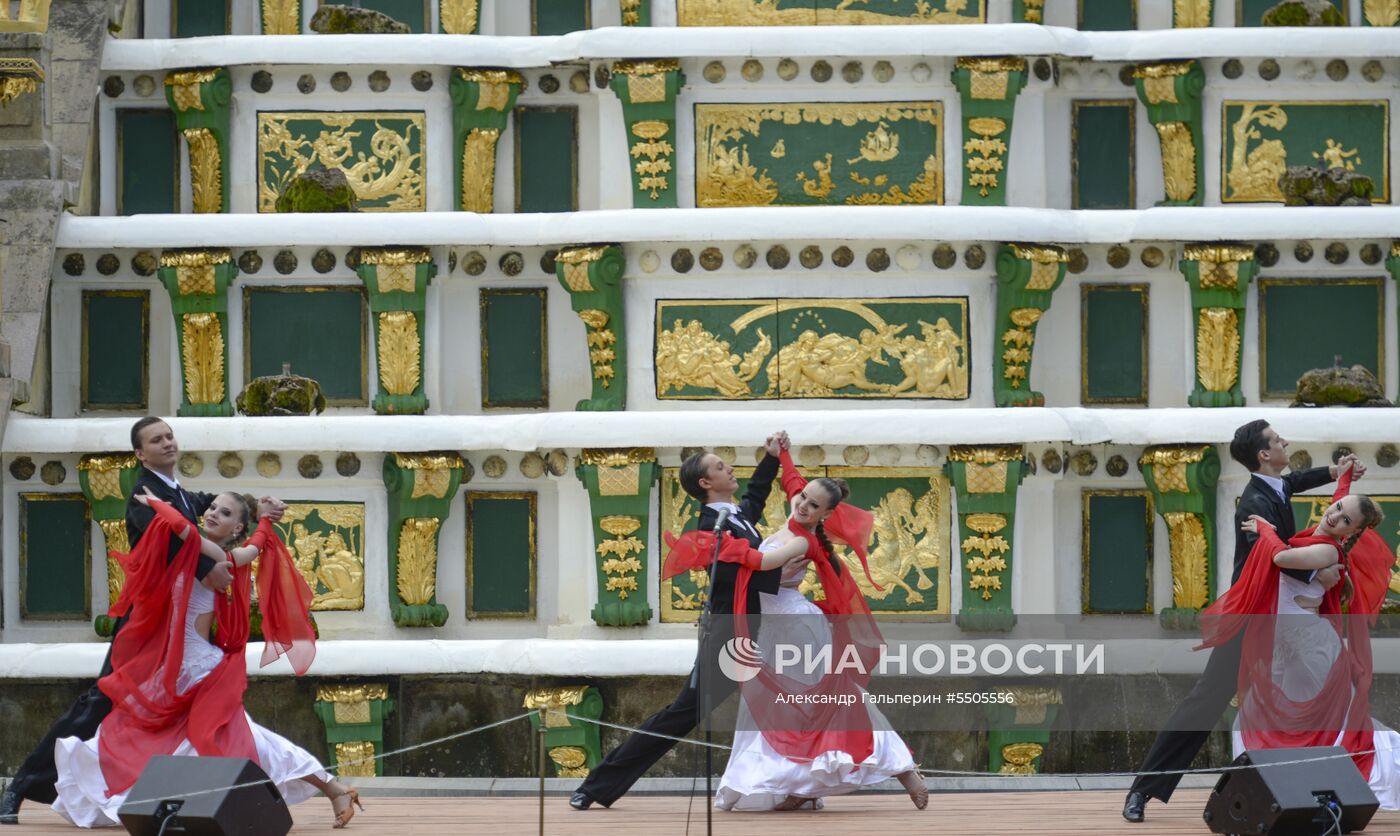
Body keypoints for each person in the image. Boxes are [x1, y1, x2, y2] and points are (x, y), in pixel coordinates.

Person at [51, 488, 361, 828]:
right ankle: (333, 787)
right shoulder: (215, 553)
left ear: (237, 529)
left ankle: (332, 788)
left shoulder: (216, 556)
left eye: (226, 513)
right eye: (213, 507)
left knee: (242, 740)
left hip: (199, 670)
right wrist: (265, 519)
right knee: (152, 732)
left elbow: (184, 530)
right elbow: (247, 540)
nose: (213, 513)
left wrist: (154, 503)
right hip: (180, 667)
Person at [1122, 420, 1362, 823]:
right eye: (1277, 440)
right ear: (1265, 455)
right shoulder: (1254, 504)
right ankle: (1142, 791)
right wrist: (1316, 574)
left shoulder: (1276, 485)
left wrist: (1333, 473)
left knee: (1325, 692)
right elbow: (1272, 558)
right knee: (1206, 701)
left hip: (1282, 620)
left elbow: (1295, 482)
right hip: (1251, 619)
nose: (1285, 441)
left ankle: (1322, 791)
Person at [1, 417, 232, 825]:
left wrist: (252, 505)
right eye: (156, 440)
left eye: (169, 436)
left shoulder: (173, 491)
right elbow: (168, 540)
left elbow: (204, 504)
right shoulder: (145, 494)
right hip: (145, 625)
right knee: (101, 702)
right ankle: (20, 787)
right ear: (140, 454)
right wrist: (204, 569)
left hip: (174, 626)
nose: (167, 443)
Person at [569, 437, 808, 810]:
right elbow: (730, 579)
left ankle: (802, 787)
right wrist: (780, 572)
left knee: (792, 699)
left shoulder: (735, 515)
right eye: (718, 466)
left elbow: (755, 497)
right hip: (731, 632)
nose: (728, 468)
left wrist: (772, 458)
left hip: (755, 625)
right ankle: (597, 785)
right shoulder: (712, 524)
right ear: (705, 484)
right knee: (685, 712)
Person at [713, 435, 926, 812]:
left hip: (795, 628)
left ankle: (902, 767)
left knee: (821, 701)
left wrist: (717, 546)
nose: (803, 505)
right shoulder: (799, 508)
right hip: (780, 626)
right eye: (802, 498)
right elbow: (792, 481)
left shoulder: (804, 541)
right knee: (792, 706)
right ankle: (802, 787)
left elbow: (761, 563)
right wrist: (782, 454)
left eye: (813, 505)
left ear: (826, 515)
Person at [1197, 461, 1397, 806]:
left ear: (1350, 532)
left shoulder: (1325, 550)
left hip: (1310, 647)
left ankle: (1352, 782)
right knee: (1262, 717)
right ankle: (1285, 789)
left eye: (1345, 519)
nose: (1335, 516)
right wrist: (1344, 474)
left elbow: (1280, 559)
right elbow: (1340, 500)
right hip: (1287, 645)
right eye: (1336, 509)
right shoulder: (1323, 538)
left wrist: (1264, 529)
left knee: (1325, 724)